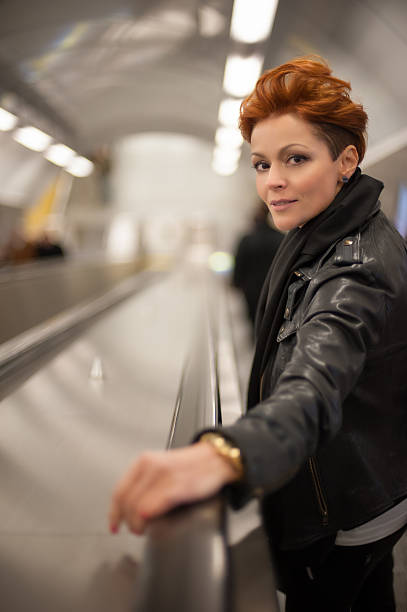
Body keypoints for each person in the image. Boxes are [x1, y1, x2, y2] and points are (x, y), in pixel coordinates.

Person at [109, 57, 407, 610]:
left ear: (347, 161)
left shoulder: (354, 270)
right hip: (371, 485)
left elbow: (313, 386)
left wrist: (225, 453)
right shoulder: (328, 228)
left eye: (296, 159)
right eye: (262, 163)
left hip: (341, 509)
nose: (273, 181)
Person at [233, 202, 283, 331]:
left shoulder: (247, 239)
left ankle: (255, 343)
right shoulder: (280, 239)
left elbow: (240, 263)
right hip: (273, 288)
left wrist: (235, 283)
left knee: (253, 319)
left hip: (250, 289)